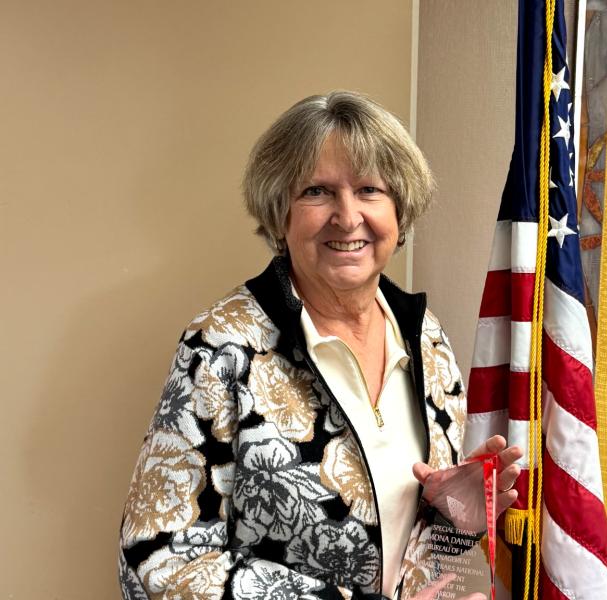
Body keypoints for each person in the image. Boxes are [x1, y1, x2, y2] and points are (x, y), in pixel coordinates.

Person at [118, 90, 522, 600]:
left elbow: (411, 540)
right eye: (317, 191)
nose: (347, 216)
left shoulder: (426, 337)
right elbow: (157, 559)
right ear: (279, 212)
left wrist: (454, 513)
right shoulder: (221, 347)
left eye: (370, 189)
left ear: (400, 210)